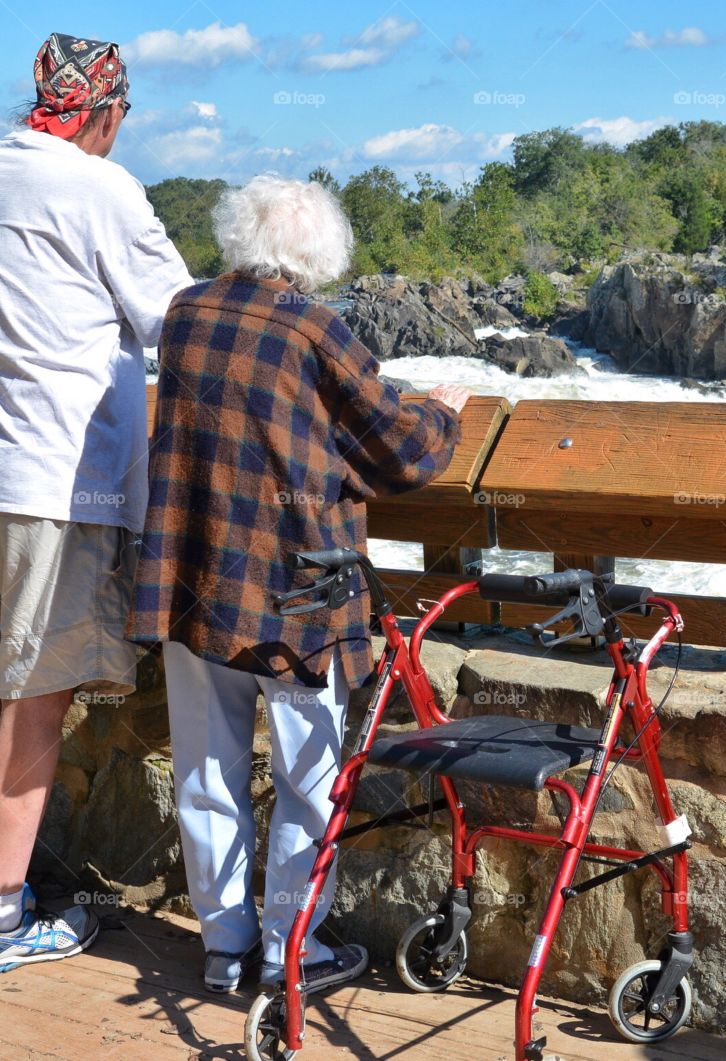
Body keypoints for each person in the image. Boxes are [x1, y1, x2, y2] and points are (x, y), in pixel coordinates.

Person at [125, 174, 470, 995]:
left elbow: (268, 423)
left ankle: (224, 945)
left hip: (193, 572)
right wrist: (445, 412)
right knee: (305, 775)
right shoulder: (316, 327)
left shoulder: (186, 313)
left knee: (206, 767)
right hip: (297, 590)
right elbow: (397, 448)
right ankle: (292, 946)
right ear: (317, 253)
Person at [0, 33, 191, 971]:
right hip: (57, 479)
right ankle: (1, 912)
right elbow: (178, 321)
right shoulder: (99, 188)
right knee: (35, 695)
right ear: (107, 114)